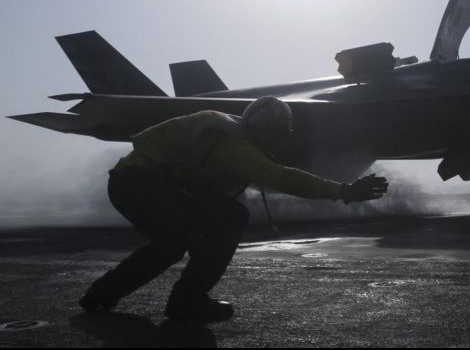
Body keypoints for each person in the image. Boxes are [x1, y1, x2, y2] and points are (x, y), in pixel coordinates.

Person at [78, 97, 388, 321]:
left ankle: (101, 296)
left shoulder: (232, 133)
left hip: (133, 185)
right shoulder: (234, 145)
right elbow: (280, 177)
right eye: (280, 134)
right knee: (230, 217)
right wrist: (344, 191)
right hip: (141, 186)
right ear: (271, 132)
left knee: (172, 244)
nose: (282, 142)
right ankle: (188, 301)